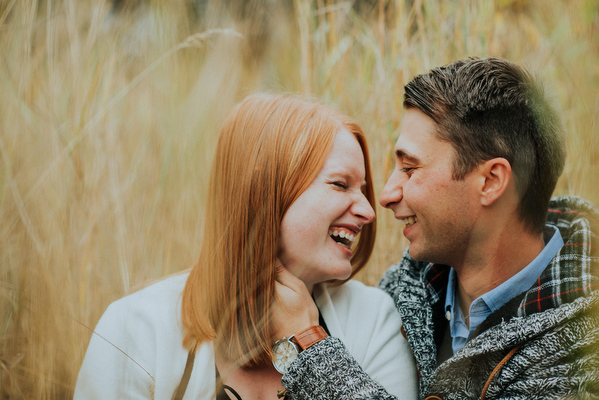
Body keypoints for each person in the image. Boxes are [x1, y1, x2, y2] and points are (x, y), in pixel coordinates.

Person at [274, 57, 599, 399]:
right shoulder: (406, 289)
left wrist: (308, 342)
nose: (384, 196)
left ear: (490, 181)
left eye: (410, 169)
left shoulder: (583, 350)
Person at [74, 93, 418, 399]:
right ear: (263, 190)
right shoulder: (137, 328)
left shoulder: (373, 320)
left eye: (362, 189)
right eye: (340, 184)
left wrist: (310, 339)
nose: (369, 210)